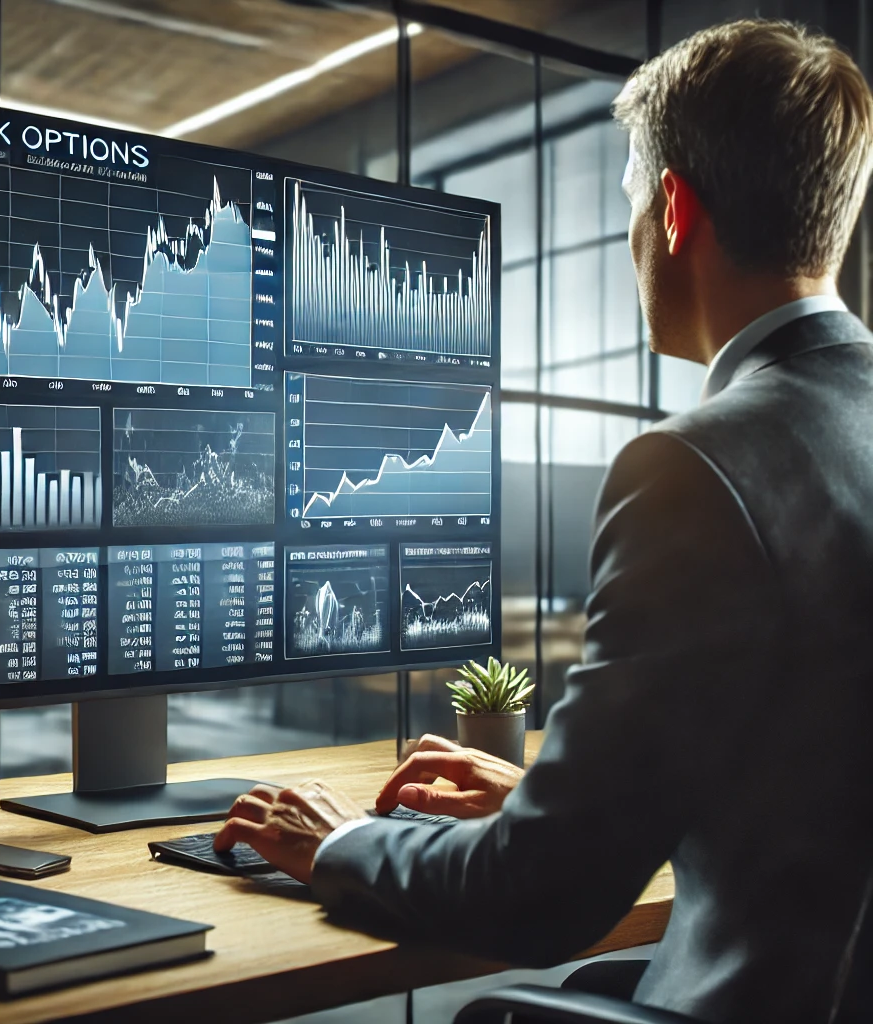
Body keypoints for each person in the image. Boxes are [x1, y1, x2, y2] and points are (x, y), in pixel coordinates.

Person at [216, 19, 873, 1023]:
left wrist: (339, 840)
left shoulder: (694, 464)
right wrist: (553, 799)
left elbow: (538, 898)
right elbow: (815, 786)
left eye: (625, 205)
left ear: (671, 207)